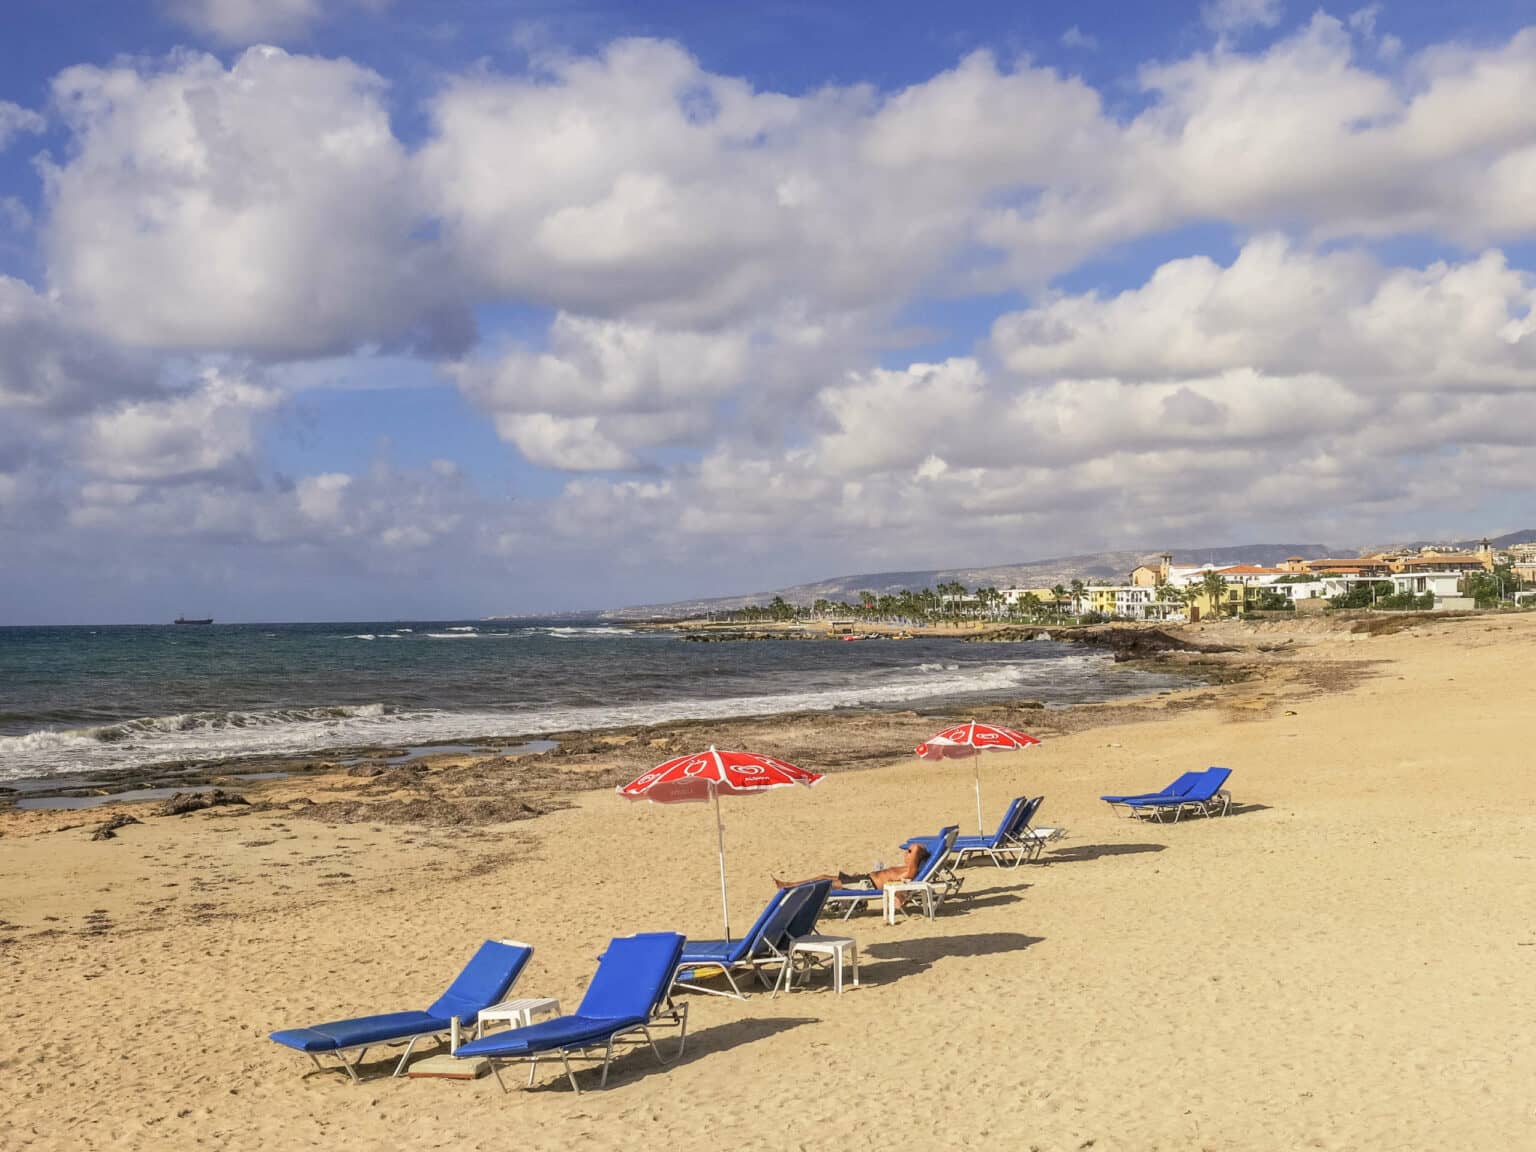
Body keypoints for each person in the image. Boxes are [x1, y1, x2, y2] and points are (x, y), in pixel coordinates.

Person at [773, 841, 931, 907]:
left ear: (916, 857)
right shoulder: (905, 868)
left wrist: (917, 851)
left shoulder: (909, 871)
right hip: (863, 879)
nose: (906, 853)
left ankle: (791, 888)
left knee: (824, 882)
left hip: (865, 885)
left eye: (909, 852)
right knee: (823, 876)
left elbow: (917, 849)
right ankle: (790, 885)